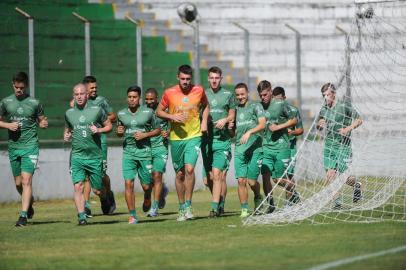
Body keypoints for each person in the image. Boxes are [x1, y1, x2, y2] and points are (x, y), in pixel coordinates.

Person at [156, 64, 209, 222]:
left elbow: (206, 106)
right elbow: (159, 111)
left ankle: (188, 206)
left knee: (190, 169)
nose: (185, 82)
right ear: (178, 77)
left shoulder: (199, 90)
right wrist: (172, 117)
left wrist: (204, 121)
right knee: (179, 174)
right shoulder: (169, 93)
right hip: (176, 138)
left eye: (188, 79)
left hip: (194, 136)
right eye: (183, 79)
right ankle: (181, 208)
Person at [0, 71, 48, 226]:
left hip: (30, 146)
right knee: (18, 184)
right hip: (14, 147)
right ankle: (29, 204)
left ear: (26, 86)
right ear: (12, 85)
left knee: (27, 180)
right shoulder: (6, 102)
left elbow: (41, 120)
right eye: (16, 87)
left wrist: (43, 124)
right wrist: (8, 125)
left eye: (21, 87)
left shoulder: (34, 103)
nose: (18, 90)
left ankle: (23, 216)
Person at [64, 83, 112, 225]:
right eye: (76, 94)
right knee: (78, 186)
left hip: (94, 156)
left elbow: (109, 126)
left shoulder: (97, 110)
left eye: (81, 94)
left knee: (97, 190)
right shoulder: (69, 113)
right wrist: (66, 135)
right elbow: (67, 128)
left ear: (87, 95)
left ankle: (105, 197)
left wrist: (99, 131)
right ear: (74, 95)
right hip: (77, 156)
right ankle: (82, 217)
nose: (79, 97)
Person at [116, 86, 160, 224]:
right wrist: (119, 131)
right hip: (128, 152)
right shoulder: (121, 114)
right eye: (129, 97)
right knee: (128, 183)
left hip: (145, 152)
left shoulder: (148, 112)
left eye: (134, 97)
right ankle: (132, 215)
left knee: (146, 186)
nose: (132, 99)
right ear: (127, 98)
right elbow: (119, 133)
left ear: (139, 98)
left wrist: (145, 134)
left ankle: (148, 196)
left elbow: (158, 129)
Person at [316, 83, 363, 209]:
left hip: (343, 146)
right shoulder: (324, 109)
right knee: (330, 175)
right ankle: (337, 203)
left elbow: (359, 120)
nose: (326, 98)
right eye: (323, 95)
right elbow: (319, 125)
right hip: (329, 145)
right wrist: (319, 125)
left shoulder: (344, 106)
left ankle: (357, 185)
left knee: (346, 178)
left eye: (328, 95)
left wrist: (348, 128)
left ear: (334, 94)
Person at [257, 81, 299, 212]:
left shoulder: (281, 104)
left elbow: (294, 120)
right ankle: (270, 204)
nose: (262, 97)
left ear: (270, 92)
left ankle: (294, 193)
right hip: (267, 147)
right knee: (265, 175)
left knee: (278, 179)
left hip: (281, 147)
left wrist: (279, 127)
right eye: (260, 95)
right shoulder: (258, 107)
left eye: (265, 94)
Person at [201, 66, 235, 217]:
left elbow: (232, 114)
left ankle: (215, 208)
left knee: (218, 175)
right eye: (211, 78)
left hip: (222, 141)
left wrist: (225, 119)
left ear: (221, 79)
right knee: (208, 180)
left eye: (217, 78)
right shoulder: (203, 94)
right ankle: (219, 201)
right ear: (208, 79)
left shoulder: (228, 94)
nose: (214, 80)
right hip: (206, 141)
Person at [82, 76, 116, 216]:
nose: (94, 90)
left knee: (101, 175)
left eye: (96, 87)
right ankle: (86, 206)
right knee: (86, 176)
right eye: (92, 88)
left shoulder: (101, 101)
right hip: (85, 143)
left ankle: (108, 194)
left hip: (100, 142)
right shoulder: (80, 102)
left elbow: (113, 116)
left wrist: (102, 121)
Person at [232, 83, 266, 218]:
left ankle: (258, 196)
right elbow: (233, 131)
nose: (240, 97)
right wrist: (229, 127)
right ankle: (244, 210)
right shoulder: (235, 110)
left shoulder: (256, 106)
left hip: (256, 148)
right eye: (238, 95)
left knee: (251, 182)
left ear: (247, 93)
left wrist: (250, 132)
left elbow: (262, 124)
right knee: (241, 180)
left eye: (242, 94)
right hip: (240, 149)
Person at [272, 87, 304, 202]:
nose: (278, 103)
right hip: (275, 147)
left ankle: (289, 203)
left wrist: (292, 132)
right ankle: (294, 194)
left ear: (284, 98)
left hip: (290, 147)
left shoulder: (293, 110)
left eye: (280, 100)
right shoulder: (271, 112)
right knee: (276, 178)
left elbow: (300, 130)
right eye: (275, 100)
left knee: (289, 175)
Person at [144, 88, 169, 217]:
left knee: (157, 174)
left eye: (151, 99)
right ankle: (162, 191)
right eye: (147, 99)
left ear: (157, 99)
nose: (149, 102)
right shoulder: (142, 112)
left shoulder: (164, 111)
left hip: (161, 148)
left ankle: (154, 208)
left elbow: (174, 125)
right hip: (146, 149)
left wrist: (168, 132)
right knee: (148, 181)